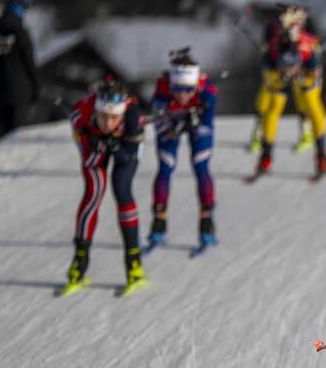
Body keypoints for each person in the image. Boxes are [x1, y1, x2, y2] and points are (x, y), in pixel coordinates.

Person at [61, 78, 145, 296]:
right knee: (93, 193)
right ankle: (80, 259)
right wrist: (92, 142)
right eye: (103, 117)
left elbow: (127, 158)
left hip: (124, 148)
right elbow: (81, 140)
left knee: (122, 190)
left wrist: (115, 145)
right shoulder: (83, 113)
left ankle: (133, 262)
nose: (108, 123)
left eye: (114, 118)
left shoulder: (133, 117)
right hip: (93, 142)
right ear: (95, 111)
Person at [147, 47, 218, 249]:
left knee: (201, 165)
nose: (183, 95)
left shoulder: (208, 93)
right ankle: (159, 221)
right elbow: (159, 124)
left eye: (189, 90)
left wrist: (193, 123)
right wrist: (172, 127)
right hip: (171, 124)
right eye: (177, 89)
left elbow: (206, 125)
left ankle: (206, 220)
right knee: (165, 167)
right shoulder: (161, 93)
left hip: (195, 127)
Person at [253, 5, 326, 179]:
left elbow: (314, 77)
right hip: (277, 70)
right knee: (274, 107)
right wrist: (281, 78)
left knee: (311, 102)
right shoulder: (271, 53)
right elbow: (269, 80)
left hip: (306, 69)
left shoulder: (308, 50)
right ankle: (265, 156)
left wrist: (303, 80)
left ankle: (322, 156)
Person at [0, 0, 39, 137]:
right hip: (20, 94)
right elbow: (29, 63)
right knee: (15, 140)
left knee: (2, 138)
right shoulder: (21, 33)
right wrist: (36, 92)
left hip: (0, 93)